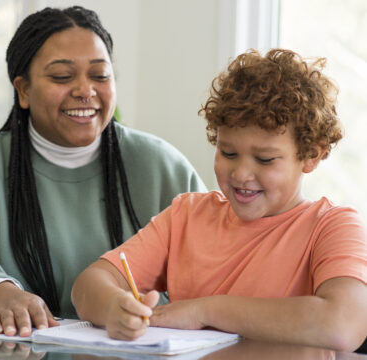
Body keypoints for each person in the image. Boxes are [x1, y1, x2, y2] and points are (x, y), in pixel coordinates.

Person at [0, 6, 205, 338]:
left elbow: (218, 259)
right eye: (62, 76)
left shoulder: (163, 166)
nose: (85, 90)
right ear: (23, 90)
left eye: (100, 75)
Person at [72, 49, 367, 352]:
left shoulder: (333, 226)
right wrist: (113, 306)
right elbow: (89, 283)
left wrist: (205, 311)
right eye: (228, 153)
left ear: (311, 155)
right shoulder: (185, 217)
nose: (241, 174)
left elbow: (344, 325)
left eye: (264, 159)